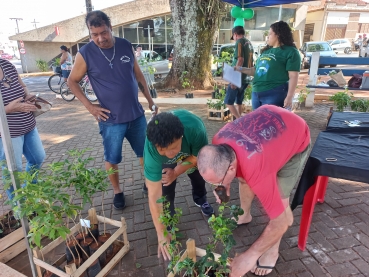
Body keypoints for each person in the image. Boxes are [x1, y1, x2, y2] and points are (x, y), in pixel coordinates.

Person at [197, 105, 311, 276]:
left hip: (296, 135)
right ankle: (244, 215)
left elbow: (281, 222)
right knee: (243, 180)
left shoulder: (256, 171)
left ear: (229, 169)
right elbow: (230, 172)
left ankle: (272, 252)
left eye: (218, 182)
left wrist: (250, 256)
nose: (216, 186)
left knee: (281, 205)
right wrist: (223, 185)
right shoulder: (218, 143)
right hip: (269, 122)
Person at [67, 10, 158, 210]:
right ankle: (117, 191)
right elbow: (71, 81)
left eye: (103, 32)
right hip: (111, 119)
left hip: (136, 115)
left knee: (146, 152)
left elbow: (139, 76)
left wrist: (150, 101)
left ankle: (148, 181)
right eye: (94, 34)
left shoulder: (125, 45)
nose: (100, 38)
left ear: (111, 28)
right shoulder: (85, 54)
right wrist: (91, 107)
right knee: (112, 158)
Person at [144, 111, 214, 260]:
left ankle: (200, 199)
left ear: (181, 136)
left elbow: (195, 157)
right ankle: (169, 221)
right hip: (171, 153)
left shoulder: (196, 129)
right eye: (162, 149)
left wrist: (175, 171)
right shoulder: (151, 147)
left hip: (192, 153)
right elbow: (154, 195)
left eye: (173, 148)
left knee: (198, 175)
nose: (169, 154)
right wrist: (161, 233)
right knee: (165, 188)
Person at [0, 58, 46, 199]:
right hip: (8, 133)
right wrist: (8, 109)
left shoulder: (6, 64)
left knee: (37, 158)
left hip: (28, 126)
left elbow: (23, 86)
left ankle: (29, 195)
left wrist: (28, 95)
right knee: (13, 170)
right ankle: (19, 209)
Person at [235, 21, 301, 111]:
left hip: (275, 93)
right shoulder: (266, 51)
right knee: (258, 122)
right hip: (256, 92)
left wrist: (289, 96)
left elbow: (293, 76)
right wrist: (240, 69)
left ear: (278, 34)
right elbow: (255, 71)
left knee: (271, 123)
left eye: (270, 34)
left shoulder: (291, 52)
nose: (268, 37)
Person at [224, 26, 253, 119]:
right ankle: (238, 120)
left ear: (235, 34)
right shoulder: (249, 43)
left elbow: (240, 59)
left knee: (228, 102)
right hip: (246, 77)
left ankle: (239, 121)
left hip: (239, 77)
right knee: (239, 101)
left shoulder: (239, 42)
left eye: (233, 36)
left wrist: (234, 78)